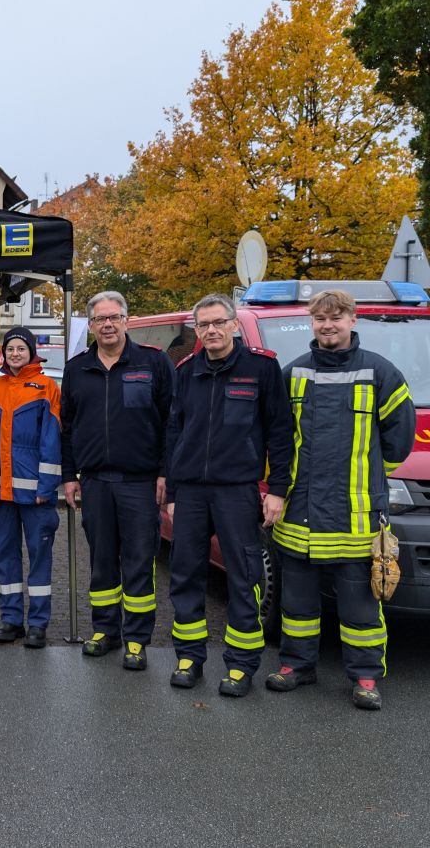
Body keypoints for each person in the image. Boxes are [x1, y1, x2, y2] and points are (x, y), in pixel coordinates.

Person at [267, 290, 415, 710]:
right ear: (311, 324)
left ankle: (365, 677)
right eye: (319, 319)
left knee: (360, 607)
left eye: (336, 318)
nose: (327, 325)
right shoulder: (292, 374)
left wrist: (366, 481)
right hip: (299, 515)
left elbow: (398, 444)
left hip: (356, 516)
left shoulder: (382, 373)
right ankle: (297, 665)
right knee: (296, 603)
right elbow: (277, 441)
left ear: (353, 320)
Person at [165, 294, 294, 697]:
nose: (211, 331)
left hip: (238, 491)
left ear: (235, 324)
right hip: (190, 492)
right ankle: (189, 657)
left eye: (219, 322)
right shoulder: (186, 371)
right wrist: (171, 489)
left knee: (244, 578)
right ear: (197, 330)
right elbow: (174, 432)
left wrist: (277, 490)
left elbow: (281, 433)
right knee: (185, 574)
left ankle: (240, 666)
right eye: (203, 325)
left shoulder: (262, 368)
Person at [62, 291, 174, 671]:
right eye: (99, 319)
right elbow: (67, 427)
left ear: (127, 320)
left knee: (140, 560)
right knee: (102, 561)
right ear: (91, 325)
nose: (107, 325)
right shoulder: (77, 369)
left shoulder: (153, 363)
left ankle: (138, 639)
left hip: (140, 482)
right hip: (94, 482)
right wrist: (68, 476)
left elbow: (171, 423)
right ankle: (104, 631)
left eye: (114, 317)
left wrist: (164, 472)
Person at [0, 326, 62, 648]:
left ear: (32, 352)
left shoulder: (46, 388)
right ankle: (11, 621)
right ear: (4, 352)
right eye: (10, 349)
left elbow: (52, 442)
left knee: (39, 558)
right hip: (2, 493)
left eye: (21, 348)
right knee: (5, 558)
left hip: (35, 493)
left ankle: (38, 625)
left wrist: (47, 486)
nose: (15, 354)